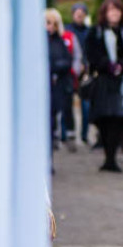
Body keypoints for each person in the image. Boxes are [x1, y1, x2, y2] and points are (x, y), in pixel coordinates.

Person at [84, 0, 123, 172]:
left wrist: (121, 65)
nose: (114, 14)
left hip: (122, 81)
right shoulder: (96, 32)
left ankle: (112, 158)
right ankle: (107, 155)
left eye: (117, 10)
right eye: (111, 11)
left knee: (118, 118)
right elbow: (91, 53)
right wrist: (105, 65)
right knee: (103, 118)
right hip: (102, 80)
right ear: (105, 13)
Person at [46, 8, 76, 156]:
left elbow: (68, 61)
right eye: (47, 23)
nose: (50, 27)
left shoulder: (59, 41)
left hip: (57, 87)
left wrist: (56, 67)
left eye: (53, 23)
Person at [69, 2, 93, 145]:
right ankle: (67, 134)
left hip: (85, 72)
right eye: (77, 13)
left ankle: (84, 134)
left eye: (82, 13)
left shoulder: (89, 31)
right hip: (71, 71)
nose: (79, 15)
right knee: (67, 105)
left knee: (86, 106)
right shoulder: (67, 30)